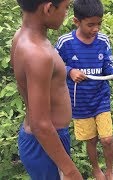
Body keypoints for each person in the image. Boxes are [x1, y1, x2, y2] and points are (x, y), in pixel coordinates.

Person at [10, 0, 83, 179]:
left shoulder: (22, 36)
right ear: (49, 8)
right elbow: (40, 124)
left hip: (46, 139)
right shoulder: (37, 53)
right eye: (66, 7)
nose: (66, 13)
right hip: (45, 141)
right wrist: (70, 170)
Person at [55, 0, 113, 179]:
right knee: (91, 140)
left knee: (107, 139)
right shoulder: (65, 42)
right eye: (91, 24)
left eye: (99, 24)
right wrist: (70, 71)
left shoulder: (103, 40)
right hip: (79, 102)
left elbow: (108, 65)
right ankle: (96, 170)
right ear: (76, 21)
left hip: (100, 98)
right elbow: (54, 66)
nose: (96, 29)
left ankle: (109, 171)